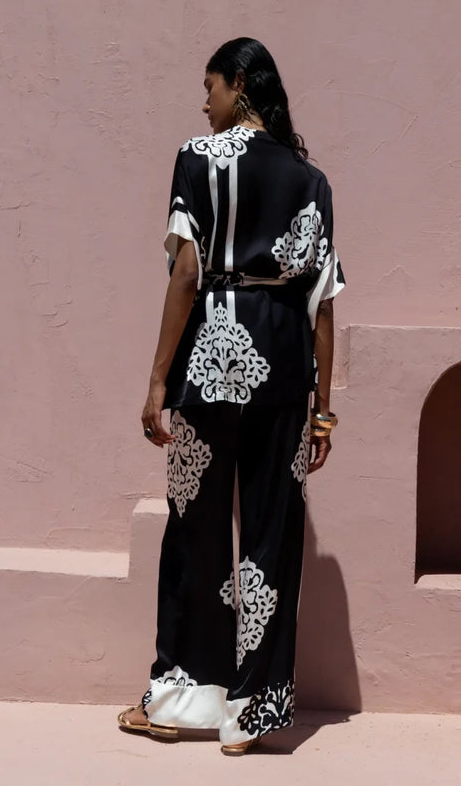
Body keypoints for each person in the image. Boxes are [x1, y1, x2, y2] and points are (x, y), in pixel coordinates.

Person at [118, 37, 346, 755]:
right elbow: (322, 303)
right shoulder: (311, 180)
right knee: (272, 534)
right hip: (283, 366)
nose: (204, 102)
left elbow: (186, 274)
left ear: (238, 83)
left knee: (197, 526)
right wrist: (322, 410)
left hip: (210, 363)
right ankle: (252, 710)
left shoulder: (198, 158)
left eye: (209, 86)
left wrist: (157, 379)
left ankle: (184, 697)